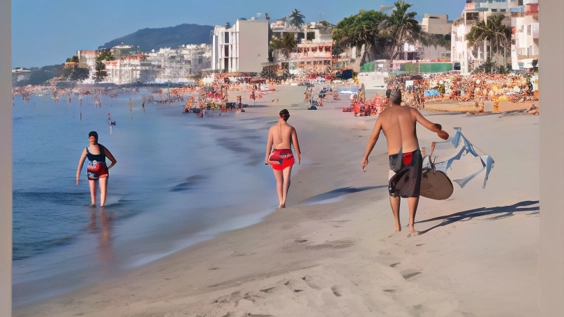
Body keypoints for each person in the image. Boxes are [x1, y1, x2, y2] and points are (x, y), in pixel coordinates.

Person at [360, 90, 449, 236]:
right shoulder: (411, 112)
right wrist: (440, 132)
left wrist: (365, 157)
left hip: (395, 157)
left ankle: (397, 225)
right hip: (413, 154)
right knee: (413, 190)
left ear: (389, 99)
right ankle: (412, 226)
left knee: (393, 189)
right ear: (401, 98)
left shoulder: (383, 116)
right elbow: (431, 125)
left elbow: (374, 138)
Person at [265, 109, 301, 208]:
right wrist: (298, 156)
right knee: (286, 180)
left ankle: (280, 201)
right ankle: (284, 201)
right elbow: (295, 145)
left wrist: (266, 158)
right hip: (287, 155)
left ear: (280, 115)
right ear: (287, 116)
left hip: (275, 155)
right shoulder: (290, 128)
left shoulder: (272, 129)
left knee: (279, 181)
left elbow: (269, 145)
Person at [76, 131, 117, 207]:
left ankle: (102, 208)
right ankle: (93, 206)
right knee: (93, 193)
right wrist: (77, 177)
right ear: (88, 139)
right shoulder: (86, 150)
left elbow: (114, 161)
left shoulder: (102, 148)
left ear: (97, 139)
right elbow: (80, 164)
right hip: (91, 172)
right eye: (91, 138)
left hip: (103, 171)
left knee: (103, 190)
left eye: (94, 138)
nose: (92, 140)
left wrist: (108, 168)